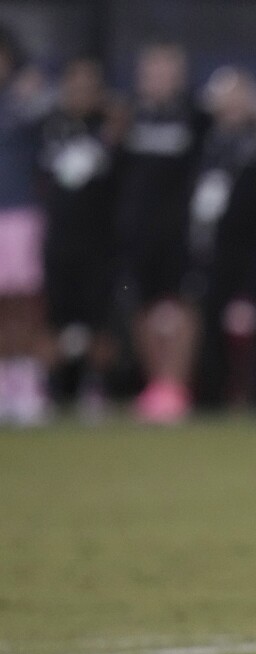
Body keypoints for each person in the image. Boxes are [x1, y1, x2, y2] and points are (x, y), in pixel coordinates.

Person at [116, 43, 208, 424]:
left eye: (167, 71)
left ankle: (176, 385)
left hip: (182, 230)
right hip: (138, 231)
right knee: (140, 305)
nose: (159, 79)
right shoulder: (128, 117)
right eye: (152, 72)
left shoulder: (196, 117)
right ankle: (156, 386)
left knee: (185, 306)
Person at [38, 56, 126, 417]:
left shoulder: (111, 127)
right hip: (57, 238)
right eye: (75, 84)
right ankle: (51, 388)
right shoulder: (49, 125)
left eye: (89, 86)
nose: (81, 92)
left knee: (99, 321)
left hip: (99, 241)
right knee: (53, 318)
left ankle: (95, 387)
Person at [187, 67, 256, 410]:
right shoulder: (204, 139)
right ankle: (212, 393)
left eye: (240, 96)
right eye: (228, 98)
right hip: (215, 244)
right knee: (210, 315)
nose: (234, 105)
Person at [0, 26, 51, 426]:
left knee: (23, 303)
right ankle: (4, 383)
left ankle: (28, 381)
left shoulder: (25, 104)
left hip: (18, 216)